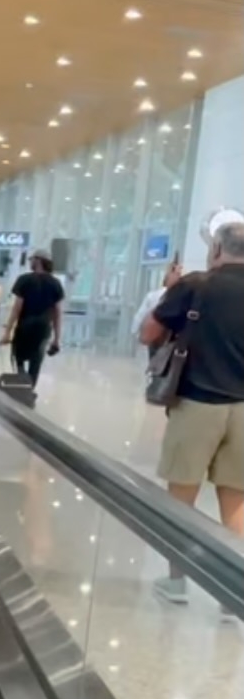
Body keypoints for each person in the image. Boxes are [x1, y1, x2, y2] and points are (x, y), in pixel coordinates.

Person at [139, 218, 244, 609]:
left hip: (197, 404)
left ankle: (177, 582)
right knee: (236, 502)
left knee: (181, 497)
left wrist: (169, 291)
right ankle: (233, 593)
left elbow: (148, 334)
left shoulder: (196, 285)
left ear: (216, 249)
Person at [1, 250, 64, 387]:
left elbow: (17, 308)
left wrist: (7, 332)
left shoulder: (24, 280)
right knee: (36, 360)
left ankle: (21, 378)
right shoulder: (56, 283)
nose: (30, 262)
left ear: (38, 260)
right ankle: (30, 387)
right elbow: (57, 313)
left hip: (25, 325)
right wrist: (57, 339)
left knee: (18, 356)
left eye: (32, 259)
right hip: (43, 328)